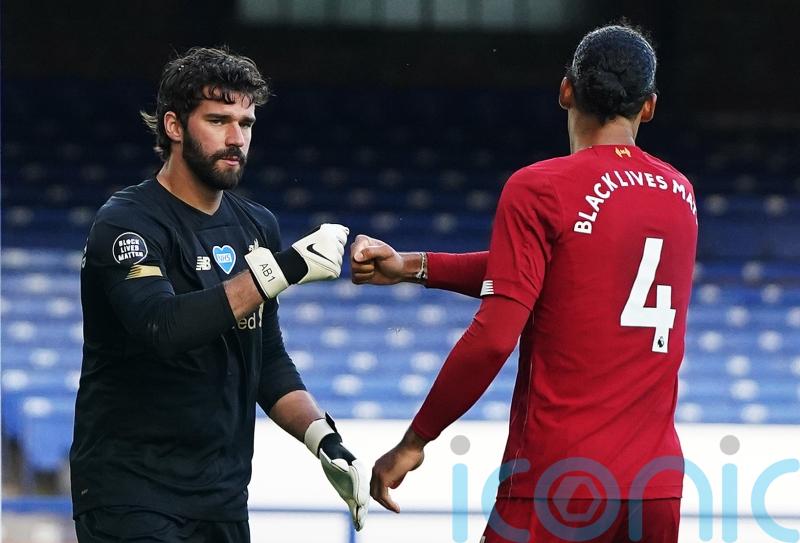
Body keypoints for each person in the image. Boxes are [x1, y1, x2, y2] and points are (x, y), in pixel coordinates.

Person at [351, 24, 696, 543]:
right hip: (655, 489)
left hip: (556, 482)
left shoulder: (540, 187)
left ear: (565, 91)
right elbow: (565, 267)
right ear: (648, 107)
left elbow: (494, 337)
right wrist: (415, 266)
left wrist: (414, 441)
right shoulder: (680, 194)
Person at [70, 46, 368, 542]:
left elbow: (266, 358)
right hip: (131, 495)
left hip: (224, 497)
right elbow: (161, 327)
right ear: (173, 125)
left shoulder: (257, 225)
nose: (237, 139)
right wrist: (286, 269)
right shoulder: (127, 222)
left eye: (246, 123)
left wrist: (324, 440)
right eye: (218, 120)